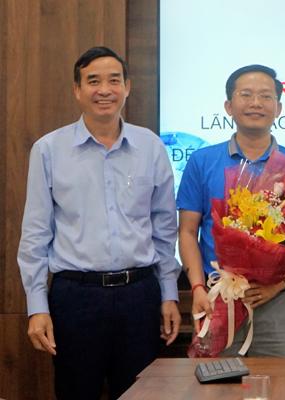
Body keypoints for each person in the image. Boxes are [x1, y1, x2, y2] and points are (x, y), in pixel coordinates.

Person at [17, 46, 181, 400]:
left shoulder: (150, 146)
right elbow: (35, 234)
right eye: (93, 81)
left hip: (140, 294)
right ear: (77, 89)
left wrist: (168, 293)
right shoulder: (49, 149)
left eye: (113, 80)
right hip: (76, 297)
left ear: (127, 87)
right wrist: (37, 307)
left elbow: (164, 227)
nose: (104, 90)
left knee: (141, 395)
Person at [177, 65, 285, 357]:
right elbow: (188, 232)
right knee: (215, 389)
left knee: (283, 389)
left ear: (278, 108)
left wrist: (279, 284)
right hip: (217, 298)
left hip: (278, 304)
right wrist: (197, 290)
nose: (256, 103)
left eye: (265, 96)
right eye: (246, 95)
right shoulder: (202, 161)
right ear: (228, 105)